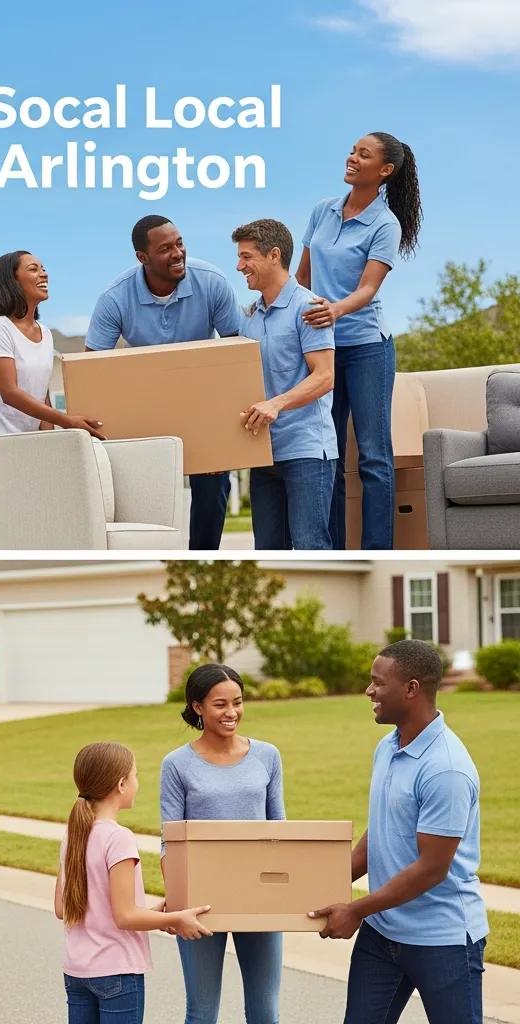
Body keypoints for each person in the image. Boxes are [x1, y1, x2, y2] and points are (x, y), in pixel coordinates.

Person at [309, 640, 488, 1024]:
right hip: (382, 932)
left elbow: (431, 868)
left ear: (411, 689)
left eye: (378, 682)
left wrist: (355, 910)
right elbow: (382, 831)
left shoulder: (446, 768)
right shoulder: (388, 747)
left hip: (442, 939)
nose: (369, 691)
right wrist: (318, 886)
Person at [85, 215, 244, 550]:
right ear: (142, 257)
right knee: (144, 490)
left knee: (214, 483)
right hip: (146, 404)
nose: (177, 253)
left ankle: (203, 558)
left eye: (180, 243)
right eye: (165, 249)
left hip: (204, 400)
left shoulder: (212, 282)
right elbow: (91, 371)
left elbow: (238, 355)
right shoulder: (115, 298)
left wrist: (224, 433)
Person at [296, 132, 422, 550]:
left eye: (363, 154)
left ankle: (378, 550)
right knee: (327, 452)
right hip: (323, 347)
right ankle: (329, 548)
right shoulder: (323, 210)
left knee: (373, 456)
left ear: (384, 170)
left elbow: (368, 288)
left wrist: (335, 310)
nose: (352, 157)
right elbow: (302, 277)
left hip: (367, 346)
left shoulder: (385, 224)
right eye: (352, 150)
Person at [159, 664, 285, 1024]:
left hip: (260, 897)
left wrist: (287, 894)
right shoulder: (177, 765)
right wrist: (177, 898)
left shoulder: (268, 756)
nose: (232, 712)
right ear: (197, 706)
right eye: (220, 704)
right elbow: (169, 841)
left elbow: (280, 831)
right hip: (200, 900)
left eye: (237, 702)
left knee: (265, 1013)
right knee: (201, 1013)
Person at [55, 742, 211, 1024]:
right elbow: (125, 916)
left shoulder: (73, 834)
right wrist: (177, 918)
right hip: (116, 971)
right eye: (135, 776)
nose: (137, 783)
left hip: (77, 972)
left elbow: (63, 908)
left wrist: (152, 915)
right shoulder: (118, 838)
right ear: (121, 784)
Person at [0, 250, 104, 549]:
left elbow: (42, 395)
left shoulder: (45, 334)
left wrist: (48, 444)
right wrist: (68, 421)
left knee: (28, 522)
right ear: (12, 281)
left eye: (44, 268)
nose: (44, 274)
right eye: (34, 269)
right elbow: (10, 393)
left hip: (22, 441)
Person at [233, 218, 337, 549]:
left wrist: (276, 404)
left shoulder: (308, 307)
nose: (239, 266)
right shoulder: (250, 317)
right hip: (264, 454)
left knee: (310, 548)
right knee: (267, 554)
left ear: (274, 255)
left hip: (307, 451)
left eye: (246, 257)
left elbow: (325, 376)